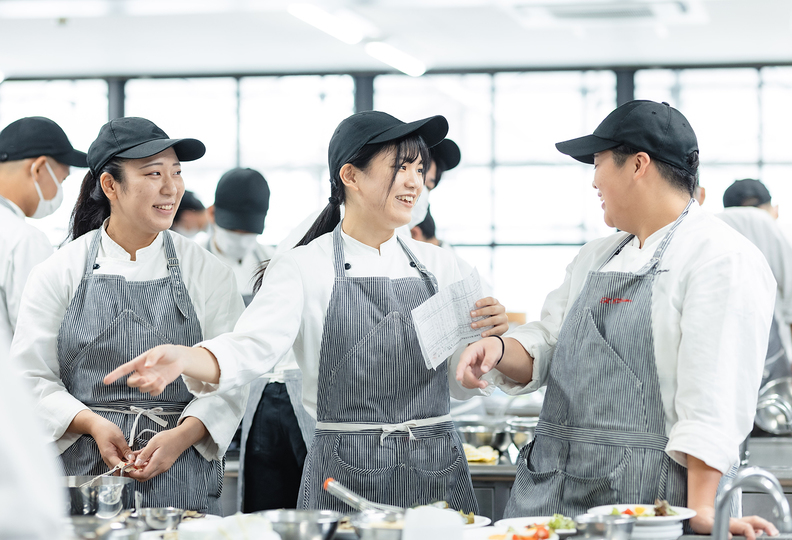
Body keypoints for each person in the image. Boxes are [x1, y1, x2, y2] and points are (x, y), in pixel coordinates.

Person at [104, 110, 509, 513]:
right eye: (400, 166)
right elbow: (250, 347)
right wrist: (186, 357)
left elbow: (465, 376)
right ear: (350, 176)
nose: (414, 180)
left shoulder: (444, 268)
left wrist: (490, 350)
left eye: (419, 168)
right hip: (348, 477)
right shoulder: (303, 267)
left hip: (435, 470)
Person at [456, 100, 777, 538]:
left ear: (638, 165)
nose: (593, 180)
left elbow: (714, 394)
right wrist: (497, 349)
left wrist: (701, 507)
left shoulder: (719, 257)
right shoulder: (597, 255)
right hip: (552, 495)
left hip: (647, 505)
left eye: (598, 162)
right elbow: (548, 341)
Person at [10, 117, 248, 514]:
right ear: (110, 186)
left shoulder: (207, 272)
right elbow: (30, 377)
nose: (170, 188)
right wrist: (92, 424)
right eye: (153, 174)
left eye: (176, 172)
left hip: (181, 469)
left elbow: (234, 373)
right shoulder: (60, 271)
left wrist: (183, 436)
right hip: (86, 471)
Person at [0, 116, 87, 360]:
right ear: (38, 169)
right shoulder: (23, 238)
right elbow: (40, 341)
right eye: (62, 179)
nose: (60, 190)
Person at [717, 178, 792, 388]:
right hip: (775, 359)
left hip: (724, 356)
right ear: (774, 210)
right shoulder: (778, 234)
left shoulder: (715, 231)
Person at [205, 168, 274, 306]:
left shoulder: (272, 261)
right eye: (233, 230)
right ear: (212, 213)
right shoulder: (193, 261)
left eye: (249, 232)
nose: (242, 241)